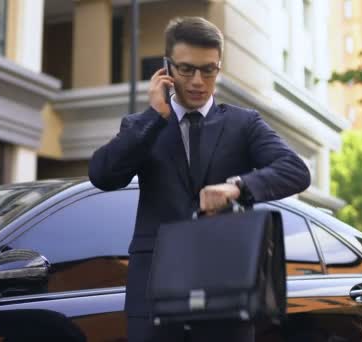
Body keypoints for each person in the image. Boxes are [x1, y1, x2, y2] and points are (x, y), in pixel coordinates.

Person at [89, 16, 310, 342]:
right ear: (166, 69)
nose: (197, 81)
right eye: (186, 69)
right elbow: (103, 175)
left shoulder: (243, 124)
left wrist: (237, 186)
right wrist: (154, 116)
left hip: (227, 293)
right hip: (155, 295)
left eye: (208, 70)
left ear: (218, 68)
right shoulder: (142, 126)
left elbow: (295, 170)